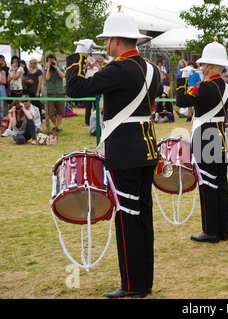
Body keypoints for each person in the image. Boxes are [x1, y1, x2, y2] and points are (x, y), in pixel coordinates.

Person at [65, 6, 162, 298]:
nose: (105, 45)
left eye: (107, 40)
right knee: (143, 217)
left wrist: (77, 57)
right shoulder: (151, 68)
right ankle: (144, 281)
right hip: (147, 148)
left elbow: (75, 88)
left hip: (126, 153)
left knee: (127, 218)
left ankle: (132, 285)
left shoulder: (119, 67)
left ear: (117, 41)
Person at [176, 38, 228, 243]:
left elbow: (181, 101)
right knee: (221, 183)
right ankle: (223, 230)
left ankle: (210, 231)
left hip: (205, 135)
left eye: (202, 65)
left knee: (207, 183)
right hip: (221, 134)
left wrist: (182, 79)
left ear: (209, 66)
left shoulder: (202, 87)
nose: (200, 67)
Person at [45, 54, 66, 132]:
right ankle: (55, 124)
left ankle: (59, 126)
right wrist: (48, 68)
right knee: (51, 112)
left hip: (60, 92)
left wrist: (56, 67)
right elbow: (47, 78)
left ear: (56, 60)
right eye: (49, 61)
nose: (51, 62)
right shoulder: (47, 69)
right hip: (51, 92)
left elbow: (63, 76)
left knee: (60, 111)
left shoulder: (60, 68)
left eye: (52, 60)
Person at [84, 56, 99, 126]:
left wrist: (97, 65)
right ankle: (87, 122)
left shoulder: (97, 69)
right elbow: (82, 75)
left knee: (97, 106)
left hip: (96, 89)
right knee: (88, 107)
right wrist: (86, 66)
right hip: (88, 90)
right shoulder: (86, 70)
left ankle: (98, 120)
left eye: (92, 62)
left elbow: (102, 72)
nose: (91, 64)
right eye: (90, 63)